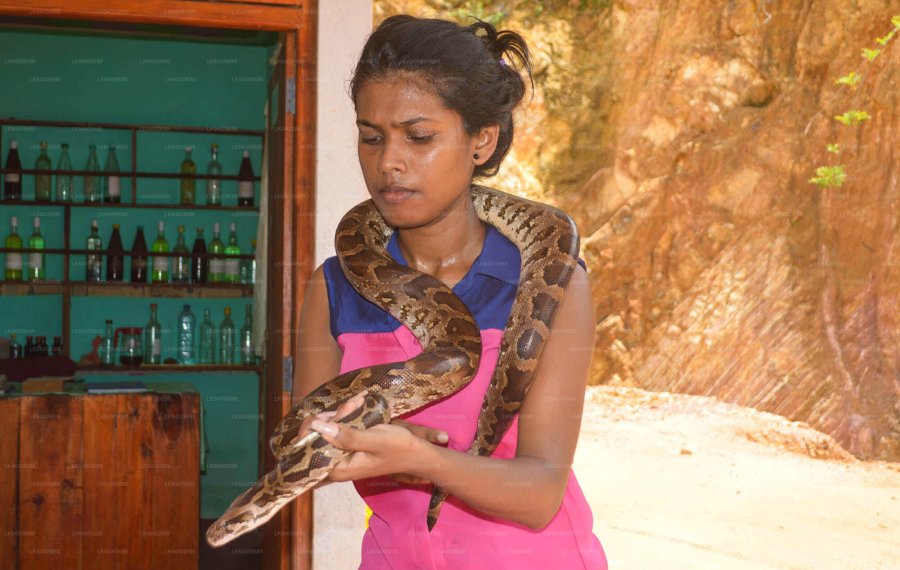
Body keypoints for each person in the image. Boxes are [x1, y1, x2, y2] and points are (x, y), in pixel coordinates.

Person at [291, 15, 608, 569]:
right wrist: (347, 446)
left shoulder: (549, 281)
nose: (389, 161)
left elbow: (539, 495)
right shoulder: (334, 287)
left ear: (480, 140)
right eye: (371, 137)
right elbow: (302, 446)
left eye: (419, 137)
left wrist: (418, 456)